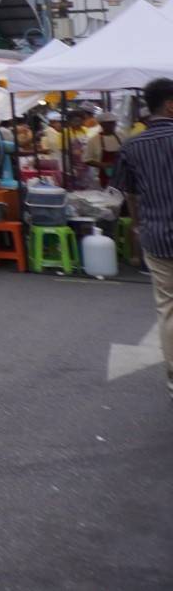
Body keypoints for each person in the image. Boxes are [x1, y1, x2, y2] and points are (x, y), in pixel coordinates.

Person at [112, 77, 173, 405]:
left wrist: (138, 226)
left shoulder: (131, 145)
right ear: (171, 104)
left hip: (157, 235)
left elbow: (129, 195)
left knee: (168, 308)